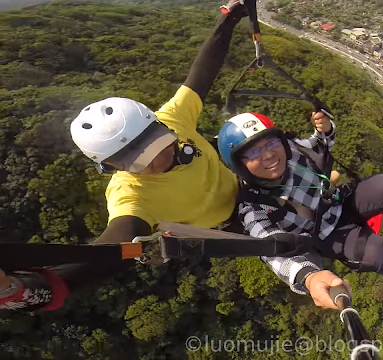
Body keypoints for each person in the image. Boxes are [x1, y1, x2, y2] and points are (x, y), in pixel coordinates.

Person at [0, 0, 290, 312]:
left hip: (248, 186)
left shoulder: (174, 117)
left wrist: (230, 17)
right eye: (138, 161)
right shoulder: (131, 194)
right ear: (111, 167)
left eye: (159, 142)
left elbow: (203, 71)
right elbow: (115, 244)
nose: (158, 160)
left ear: (158, 124)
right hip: (233, 225)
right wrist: (31, 289)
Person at [216, 111, 383, 308]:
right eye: (254, 152)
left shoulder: (292, 150)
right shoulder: (254, 206)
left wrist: (325, 128)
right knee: (380, 257)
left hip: (339, 202)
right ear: (239, 165)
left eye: (271, 144)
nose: (269, 155)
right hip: (326, 235)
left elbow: (322, 145)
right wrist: (310, 278)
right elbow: (270, 250)